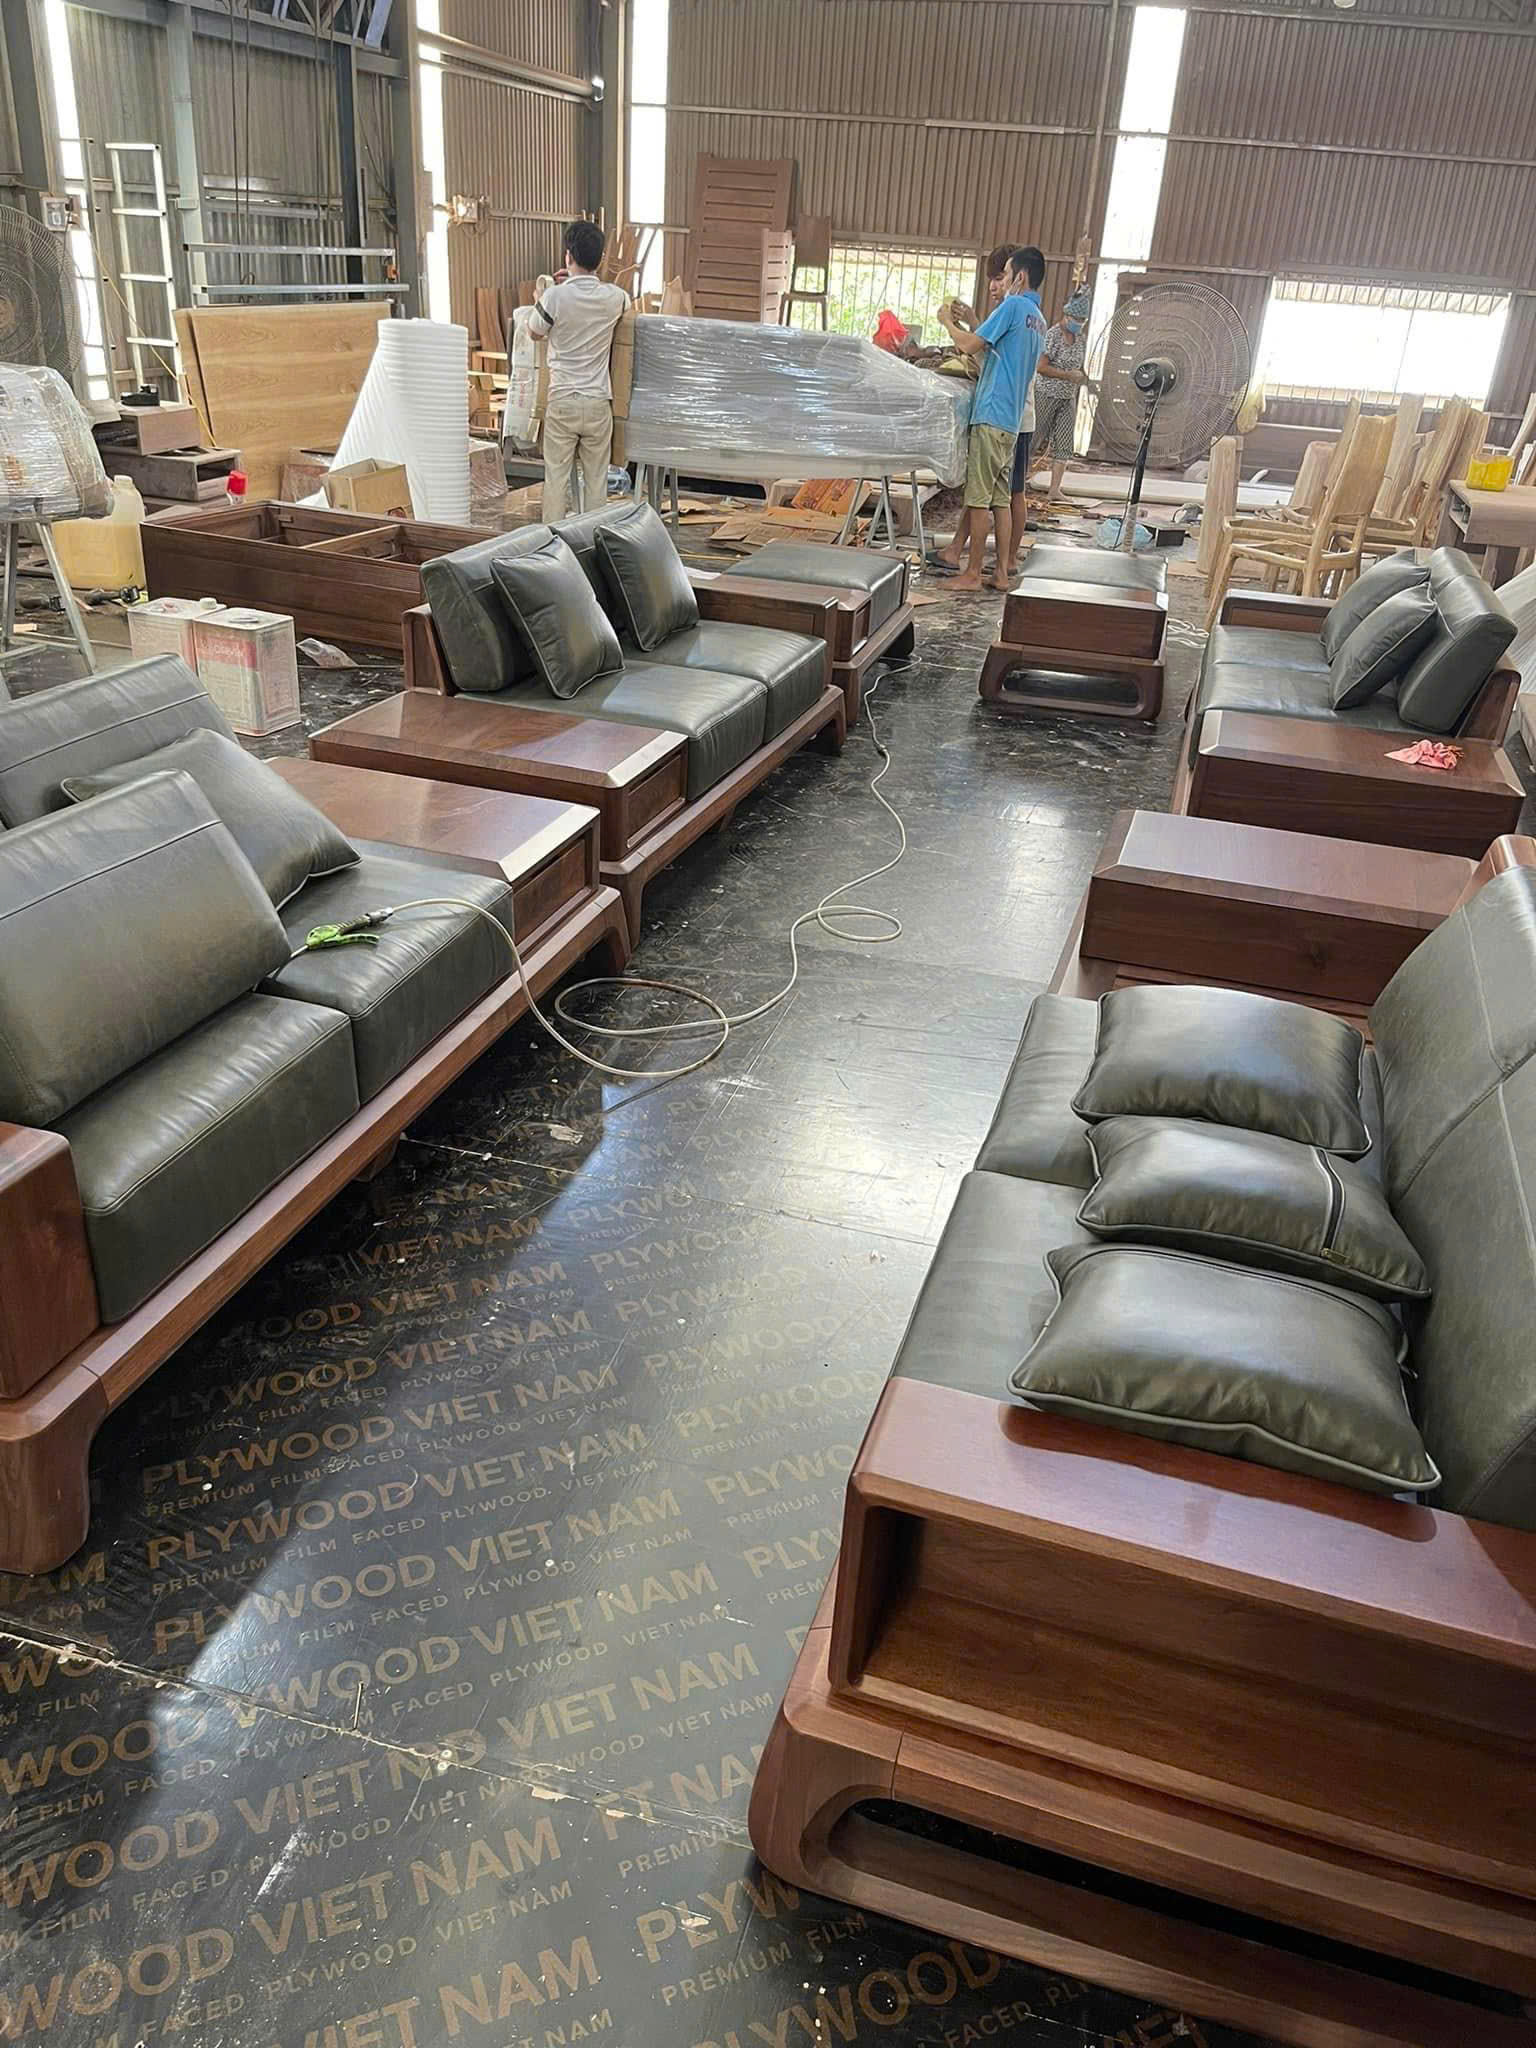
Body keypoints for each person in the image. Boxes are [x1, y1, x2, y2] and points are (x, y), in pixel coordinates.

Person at [932, 245, 1046, 592]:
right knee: (1001, 500)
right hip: (1011, 421)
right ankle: (1000, 572)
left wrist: (948, 322)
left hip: (992, 413)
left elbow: (970, 346)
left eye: (1005, 275)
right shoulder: (1038, 321)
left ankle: (972, 573)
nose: (1001, 283)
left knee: (978, 500)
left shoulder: (1012, 306)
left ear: (1020, 277)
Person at [529, 221, 628, 522]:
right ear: (601, 259)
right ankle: (592, 539)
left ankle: (552, 540)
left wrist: (542, 297)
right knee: (596, 481)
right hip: (598, 403)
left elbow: (534, 332)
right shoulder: (616, 297)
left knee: (556, 480)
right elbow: (627, 317)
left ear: (568, 256)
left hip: (563, 401)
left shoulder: (554, 297)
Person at [1027, 285, 1093, 506]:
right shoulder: (1053, 335)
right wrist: (1066, 375)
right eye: (1076, 319)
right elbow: (1041, 367)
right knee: (1032, 440)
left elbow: (1078, 367)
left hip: (1067, 397)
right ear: (1066, 315)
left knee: (1064, 444)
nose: (1079, 323)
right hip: (1046, 394)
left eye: (1082, 320)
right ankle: (1016, 485)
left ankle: (1054, 490)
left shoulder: (1080, 338)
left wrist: (1082, 378)